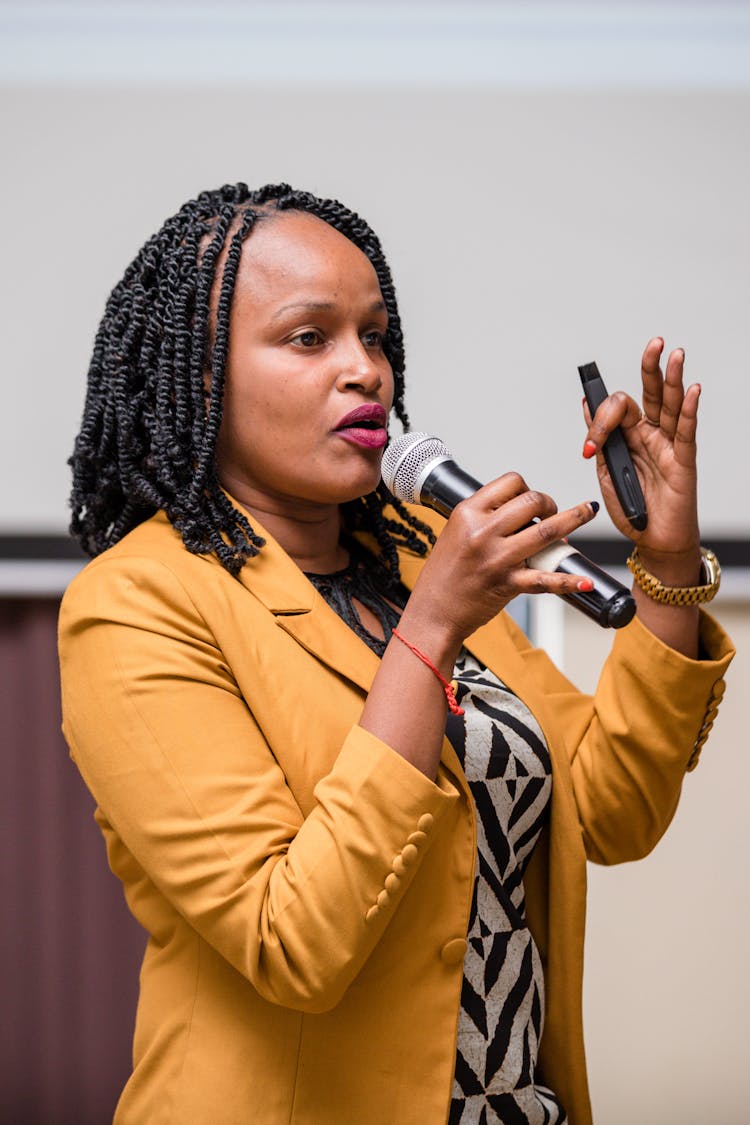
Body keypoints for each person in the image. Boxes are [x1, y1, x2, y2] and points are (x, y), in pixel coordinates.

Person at [58, 182, 733, 1125]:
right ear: (205, 375)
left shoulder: (418, 553)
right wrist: (426, 636)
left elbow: (610, 810)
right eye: (310, 337)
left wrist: (663, 558)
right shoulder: (136, 604)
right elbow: (295, 943)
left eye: (374, 335)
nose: (364, 370)